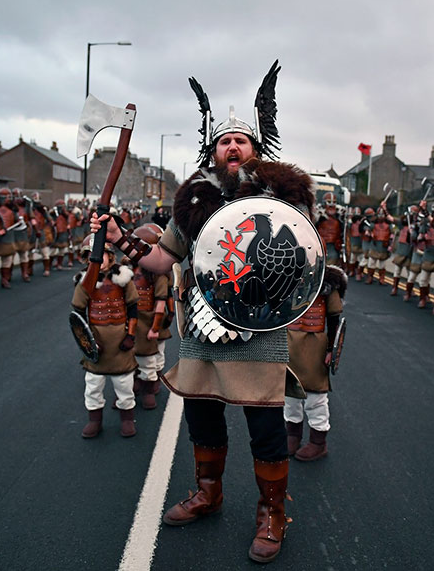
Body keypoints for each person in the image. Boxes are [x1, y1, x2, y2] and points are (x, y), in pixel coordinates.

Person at [89, 61, 313, 563]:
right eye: (224, 141)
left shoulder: (280, 200)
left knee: (266, 426)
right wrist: (119, 239)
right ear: (212, 152)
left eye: (242, 141)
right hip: (204, 326)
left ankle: (272, 512)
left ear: (256, 150)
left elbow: (303, 259)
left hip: (260, 327)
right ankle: (209, 494)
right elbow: (161, 259)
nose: (232, 147)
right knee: (202, 417)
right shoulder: (193, 201)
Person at [71, 235, 139, 438]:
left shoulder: (124, 277)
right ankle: (95, 420)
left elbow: (133, 309)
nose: (98, 260)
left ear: (110, 256)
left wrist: (131, 336)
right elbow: (78, 313)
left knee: (124, 383)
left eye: (101, 256)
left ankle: (127, 419)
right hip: (97, 340)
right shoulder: (85, 281)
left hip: (119, 339)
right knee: (93, 384)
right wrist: (88, 343)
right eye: (92, 257)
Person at [285, 265, 345, 461]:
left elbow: (334, 320)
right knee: (289, 393)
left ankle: (318, 442)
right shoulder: (285, 273)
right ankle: (292, 435)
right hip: (288, 341)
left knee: (315, 396)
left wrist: (331, 351)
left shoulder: (328, 282)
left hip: (315, 344)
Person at [129, 223, 172, 410]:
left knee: (153, 353)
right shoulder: (126, 271)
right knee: (129, 354)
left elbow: (162, 299)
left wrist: (157, 326)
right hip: (132, 318)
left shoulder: (158, 274)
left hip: (151, 318)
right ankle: (134, 382)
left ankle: (151, 382)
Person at [0, 188, 17, 289]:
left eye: (9, 197)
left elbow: (17, 220)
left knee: (7, 260)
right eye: (6, 197)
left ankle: (4, 280)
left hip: (8, 238)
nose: (8, 199)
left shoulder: (13, 209)